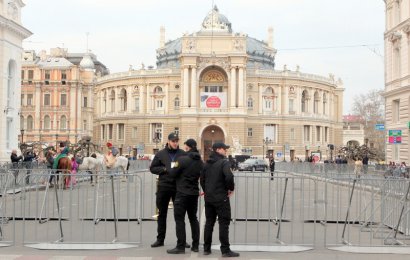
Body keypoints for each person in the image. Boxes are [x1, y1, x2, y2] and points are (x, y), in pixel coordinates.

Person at [200, 142, 240, 257]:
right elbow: (229, 176)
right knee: (224, 224)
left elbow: (202, 179)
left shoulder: (207, 163)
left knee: (209, 223)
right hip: (221, 198)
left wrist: (207, 190)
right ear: (218, 150)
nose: (226, 151)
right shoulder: (224, 162)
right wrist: (230, 189)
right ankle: (225, 250)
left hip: (209, 198)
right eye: (224, 149)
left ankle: (207, 249)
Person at [167, 138, 203, 254]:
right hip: (193, 194)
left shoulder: (182, 160)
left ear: (187, 147)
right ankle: (196, 245)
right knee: (193, 219)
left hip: (182, 193)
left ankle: (181, 246)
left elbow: (172, 174)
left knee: (180, 220)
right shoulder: (200, 161)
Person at [149, 133, 185, 248]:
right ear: (168, 141)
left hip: (177, 187)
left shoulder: (182, 154)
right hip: (164, 187)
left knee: (179, 215)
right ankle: (160, 240)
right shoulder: (160, 154)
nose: (175, 143)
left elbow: (187, 167)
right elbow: (152, 168)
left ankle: (182, 240)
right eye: (173, 141)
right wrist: (164, 169)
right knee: (162, 214)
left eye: (177, 141)